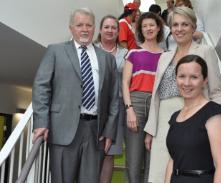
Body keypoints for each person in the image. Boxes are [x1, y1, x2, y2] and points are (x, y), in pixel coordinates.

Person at [32, 8, 119, 183]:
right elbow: (41, 87)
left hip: (96, 133)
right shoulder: (55, 51)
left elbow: (113, 98)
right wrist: (41, 122)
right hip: (62, 130)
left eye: (89, 25)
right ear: (71, 28)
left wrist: (109, 132)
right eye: (80, 25)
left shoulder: (107, 58)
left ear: (95, 28)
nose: (85, 29)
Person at [144, 7, 221, 183]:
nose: (179, 29)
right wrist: (150, 130)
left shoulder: (205, 51)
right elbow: (156, 96)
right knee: (159, 174)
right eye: (175, 25)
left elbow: (216, 91)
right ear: (170, 29)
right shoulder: (164, 57)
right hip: (163, 122)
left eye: (184, 24)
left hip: (194, 122)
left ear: (193, 27)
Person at [165, 54, 221, 183]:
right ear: (176, 79)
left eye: (194, 77)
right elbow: (173, 160)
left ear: (205, 80)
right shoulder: (175, 116)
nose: (187, 83)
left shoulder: (214, 113)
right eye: (182, 76)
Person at [122, 12, 164, 183]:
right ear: (140, 29)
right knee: (133, 158)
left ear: (159, 27)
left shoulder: (167, 55)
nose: (148, 28)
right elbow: (125, 83)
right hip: (136, 103)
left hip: (158, 104)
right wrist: (129, 109)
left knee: (153, 157)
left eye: (151, 25)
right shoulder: (133, 53)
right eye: (144, 26)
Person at [95, 15, 128, 183]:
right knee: (89, 153)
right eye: (106, 27)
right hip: (92, 107)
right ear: (100, 30)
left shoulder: (126, 54)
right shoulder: (90, 50)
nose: (110, 30)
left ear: (118, 31)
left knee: (109, 154)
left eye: (113, 28)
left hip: (117, 109)